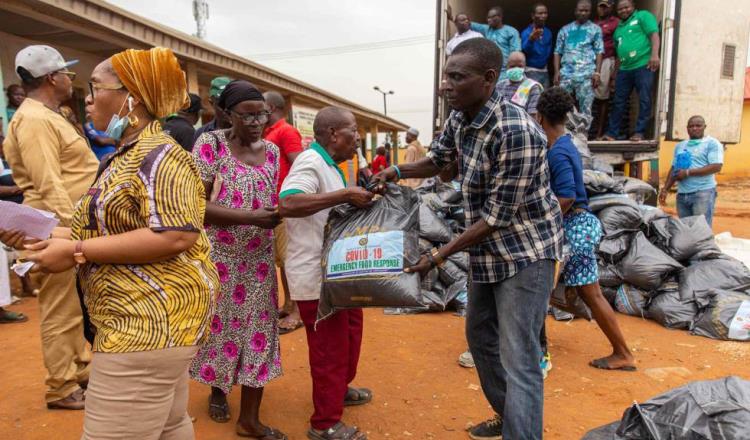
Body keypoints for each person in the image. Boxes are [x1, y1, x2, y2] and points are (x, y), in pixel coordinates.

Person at [4, 47, 219, 439]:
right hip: (146, 321)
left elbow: (175, 234)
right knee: (170, 425)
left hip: (146, 324)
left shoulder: (160, 157)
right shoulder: (126, 155)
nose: (85, 97)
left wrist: (73, 251)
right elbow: (109, 228)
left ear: (131, 97)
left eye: (95, 87)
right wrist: (47, 235)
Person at [373, 38, 563, 440]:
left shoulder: (516, 131)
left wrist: (437, 257)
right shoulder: (461, 117)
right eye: (445, 75)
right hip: (487, 250)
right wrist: (397, 172)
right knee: (479, 337)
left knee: (521, 356)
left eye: (456, 77)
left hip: (526, 252)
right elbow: (439, 161)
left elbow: (497, 217)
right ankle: (508, 415)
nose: (445, 84)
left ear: (489, 79)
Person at [190, 80, 286, 439]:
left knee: (260, 331)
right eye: (247, 115)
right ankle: (218, 389)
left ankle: (249, 419)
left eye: (262, 114)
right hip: (221, 258)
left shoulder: (273, 152)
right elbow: (196, 205)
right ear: (227, 114)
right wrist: (250, 217)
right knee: (221, 329)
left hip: (259, 261)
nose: (256, 121)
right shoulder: (210, 145)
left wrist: (273, 217)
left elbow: (271, 200)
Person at [3, 44, 96, 410]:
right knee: (61, 309)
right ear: (52, 77)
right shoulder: (35, 120)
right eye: (67, 74)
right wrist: (73, 232)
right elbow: (48, 184)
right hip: (52, 227)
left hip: (61, 225)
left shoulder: (46, 114)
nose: (70, 80)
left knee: (74, 306)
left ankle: (78, 369)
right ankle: (60, 386)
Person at [279, 106, 375, 440]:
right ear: (334, 134)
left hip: (337, 274)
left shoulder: (331, 165)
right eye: (353, 129)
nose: (358, 136)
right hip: (315, 277)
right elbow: (288, 203)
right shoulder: (309, 162)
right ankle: (325, 424)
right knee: (329, 351)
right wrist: (347, 193)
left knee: (349, 337)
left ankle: (339, 390)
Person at [537, 87, 636, 372]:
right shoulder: (565, 145)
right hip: (579, 224)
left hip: (576, 226)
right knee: (581, 292)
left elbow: (566, 196)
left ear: (540, 117)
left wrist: (544, 221)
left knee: (590, 294)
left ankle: (623, 353)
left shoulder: (558, 152)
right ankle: (621, 351)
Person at [262, 90, 305, 336]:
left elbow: (298, 164)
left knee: (290, 260)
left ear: (272, 107)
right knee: (282, 262)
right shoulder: (269, 133)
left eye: (262, 107)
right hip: (274, 206)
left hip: (286, 204)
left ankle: (298, 311)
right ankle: (289, 304)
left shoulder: (286, 131)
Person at [603, 0, 660, 141]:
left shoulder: (643, 16)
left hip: (643, 66)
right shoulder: (618, 30)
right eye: (620, 9)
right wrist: (614, 75)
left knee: (644, 99)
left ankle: (639, 132)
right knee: (618, 101)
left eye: (626, 7)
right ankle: (611, 134)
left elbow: (654, 35)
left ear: (633, 7)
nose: (624, 11)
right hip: (624, 69)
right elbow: (618, 54)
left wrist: (654, 55)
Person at [659, 116, 723, 227]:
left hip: (703, 193)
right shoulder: (680, 145)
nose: (694, 128)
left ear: (704, 127)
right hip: (682, 194)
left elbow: (716, 166)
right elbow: (674, 168)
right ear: (687, 128)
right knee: (686, 229)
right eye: (691, 126)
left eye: (698, 126)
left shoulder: (712, 143)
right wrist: (665, 189)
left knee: (700, 229)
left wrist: (688, 172)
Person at [554, 0, 604, 119]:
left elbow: (599, 51)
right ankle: (564, 133)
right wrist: (557, 72)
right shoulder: (565, 29)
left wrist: (597, 73)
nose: (583, 13)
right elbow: (557, 51)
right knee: (561, 105)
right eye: (581, 10)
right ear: (575, 11)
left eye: (586, 11)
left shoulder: (595, 29)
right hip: (566, 74)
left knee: (585, 108)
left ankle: (583, 136)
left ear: (590, 12)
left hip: (586, 74)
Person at [464, 6, 521, 74]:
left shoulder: (511, 31)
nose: (489, 20)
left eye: (492, 17)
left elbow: (516, 52)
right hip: (490, 69)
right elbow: (469, 24)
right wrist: (452, 18)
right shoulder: (486, 29)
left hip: (506, 71)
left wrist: (512, 70)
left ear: (500, 17)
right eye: (488, 17)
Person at [593, 0, 620, 139]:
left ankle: (599, 132)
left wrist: (614, 73)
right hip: (590, 61)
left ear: (611, 7)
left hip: (607, 60)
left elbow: (619, 46)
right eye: (600, 6)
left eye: (606, 7)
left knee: (603, 98)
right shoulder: (593, 23)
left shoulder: (616, 22)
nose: (602, 9)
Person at [495, 51, 543, 116]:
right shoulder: (499, 86)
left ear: (525, 67)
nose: (516, 69)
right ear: (507, 67)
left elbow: (533, 115)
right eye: (512, 66)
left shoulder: (532, 87)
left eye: (520, 66)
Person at [521, 3, 554, 88]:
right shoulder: (526, 32)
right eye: (540, 13)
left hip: (544, 71)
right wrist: (531, 39)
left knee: (545, 98)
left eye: (545, 13)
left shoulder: (548, 32)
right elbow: (524, 51)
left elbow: (549, 52)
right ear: (533, 16)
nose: (543, 15)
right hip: (530, 71)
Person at [194, 76, 233, 142]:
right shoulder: (201, 134)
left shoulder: (244, 131)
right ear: (212, 103)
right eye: (221, 103)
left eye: (230, 101)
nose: (226, 108)